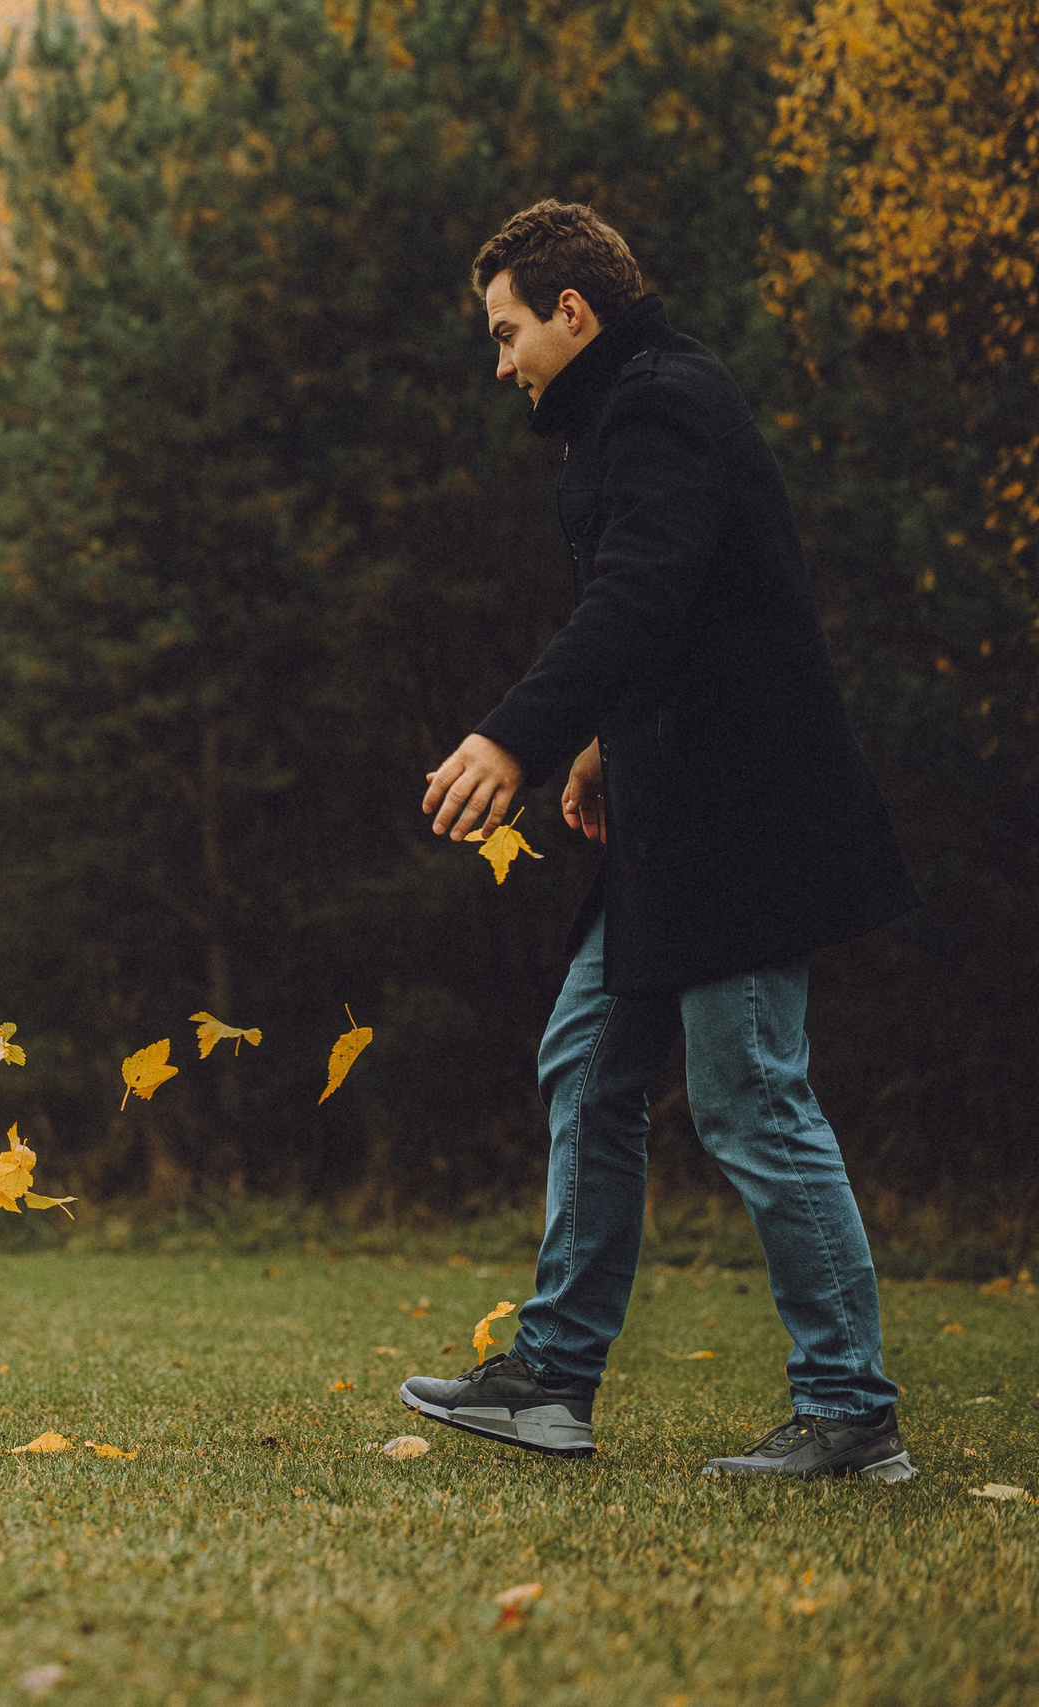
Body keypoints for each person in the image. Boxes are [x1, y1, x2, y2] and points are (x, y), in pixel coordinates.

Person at [399, 201, 920, 1480]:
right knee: (587, 1062)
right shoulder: (631, 405)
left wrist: (518, 736)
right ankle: (551, 1381)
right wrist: (595, 746)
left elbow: (643, 590)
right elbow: (677, 606)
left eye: (510, 331)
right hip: (672, 812)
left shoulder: (659, 402)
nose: (502, 360)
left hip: (741, 819)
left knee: (748, 1096)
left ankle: (850, 1410)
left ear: (573, 313)